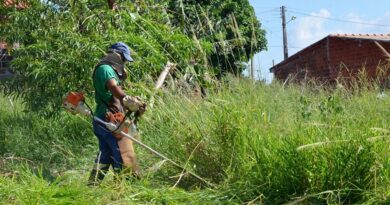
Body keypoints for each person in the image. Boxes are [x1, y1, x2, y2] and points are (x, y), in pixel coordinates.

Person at [88, 42, 146, 185]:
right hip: (108, 119)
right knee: (121, 153)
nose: (124, 62)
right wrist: (126, 99)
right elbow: (113, 87)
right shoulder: (105, 68)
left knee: (105, 155)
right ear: (117, 55)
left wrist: (134, 107)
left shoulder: (108, 69)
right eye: (124, 59)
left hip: (106, 119)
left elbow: (115, 93)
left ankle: (92, 186)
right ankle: (124, 187)